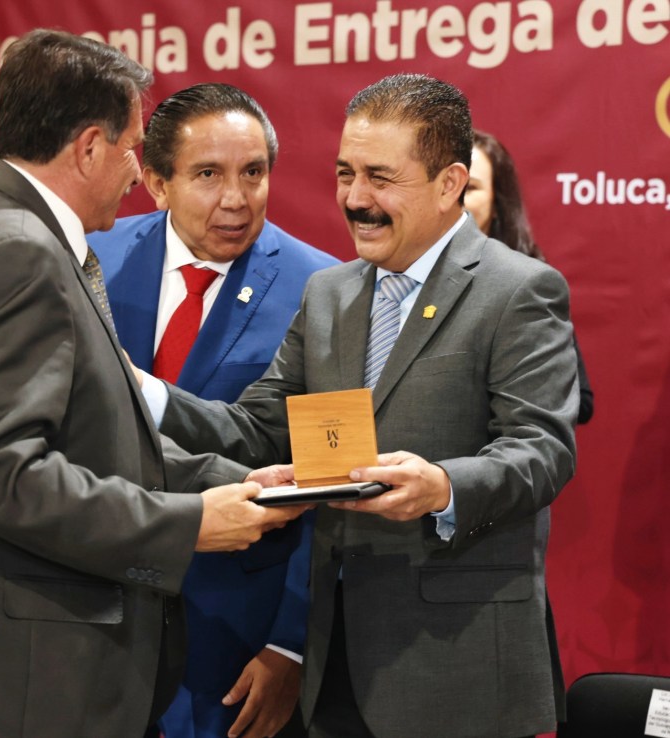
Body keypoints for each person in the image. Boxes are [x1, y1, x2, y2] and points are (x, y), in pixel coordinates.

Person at [0, 30, 304, 738]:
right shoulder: (19, 250)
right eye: (132, 148)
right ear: (89, 147)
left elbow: (84, 431)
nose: (135, 172)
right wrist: (189, 523)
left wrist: (228, 480)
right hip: (13, 667)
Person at [141, 74, 579, 737]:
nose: (355, 198)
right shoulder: (329, 294)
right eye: (345, 173)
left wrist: (442, 487)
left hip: (455, 665)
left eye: (380, 178)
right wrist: (139, 391)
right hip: (333, 664)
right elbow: (257, 427)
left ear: (448, 183)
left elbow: (542, 449)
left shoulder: (518, 290)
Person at [88, 83, 339, 738]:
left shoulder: (326, 290)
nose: (236, 198)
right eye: (208, 175)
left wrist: (291, 644)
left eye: (253, 172)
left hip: (236, 632)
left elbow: (333, 479)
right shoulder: (91, 261)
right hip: (99, 616)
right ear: (156, 182)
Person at [465, 128, 594, 424]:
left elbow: (579, 399)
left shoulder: (529, 283)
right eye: (447, 184)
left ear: (497, 202)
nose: (456, 198)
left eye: (470, 187)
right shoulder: (403, 273)